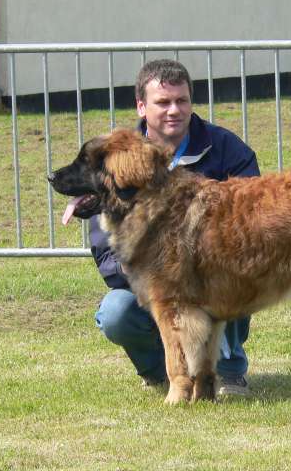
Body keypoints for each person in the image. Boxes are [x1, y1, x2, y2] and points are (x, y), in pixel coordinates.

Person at [89, 59, 260, 396]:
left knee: (235, 274)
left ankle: (228, 370)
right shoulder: (116, 159)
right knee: (116, 313)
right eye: (163, 102)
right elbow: (106, 247)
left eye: (181, 101)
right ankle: (163, 373)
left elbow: (254, 219)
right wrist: (154, 274)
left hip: (215, 273)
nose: (174, 111)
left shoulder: (226, 149)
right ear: (141, 106)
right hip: (148, 281)